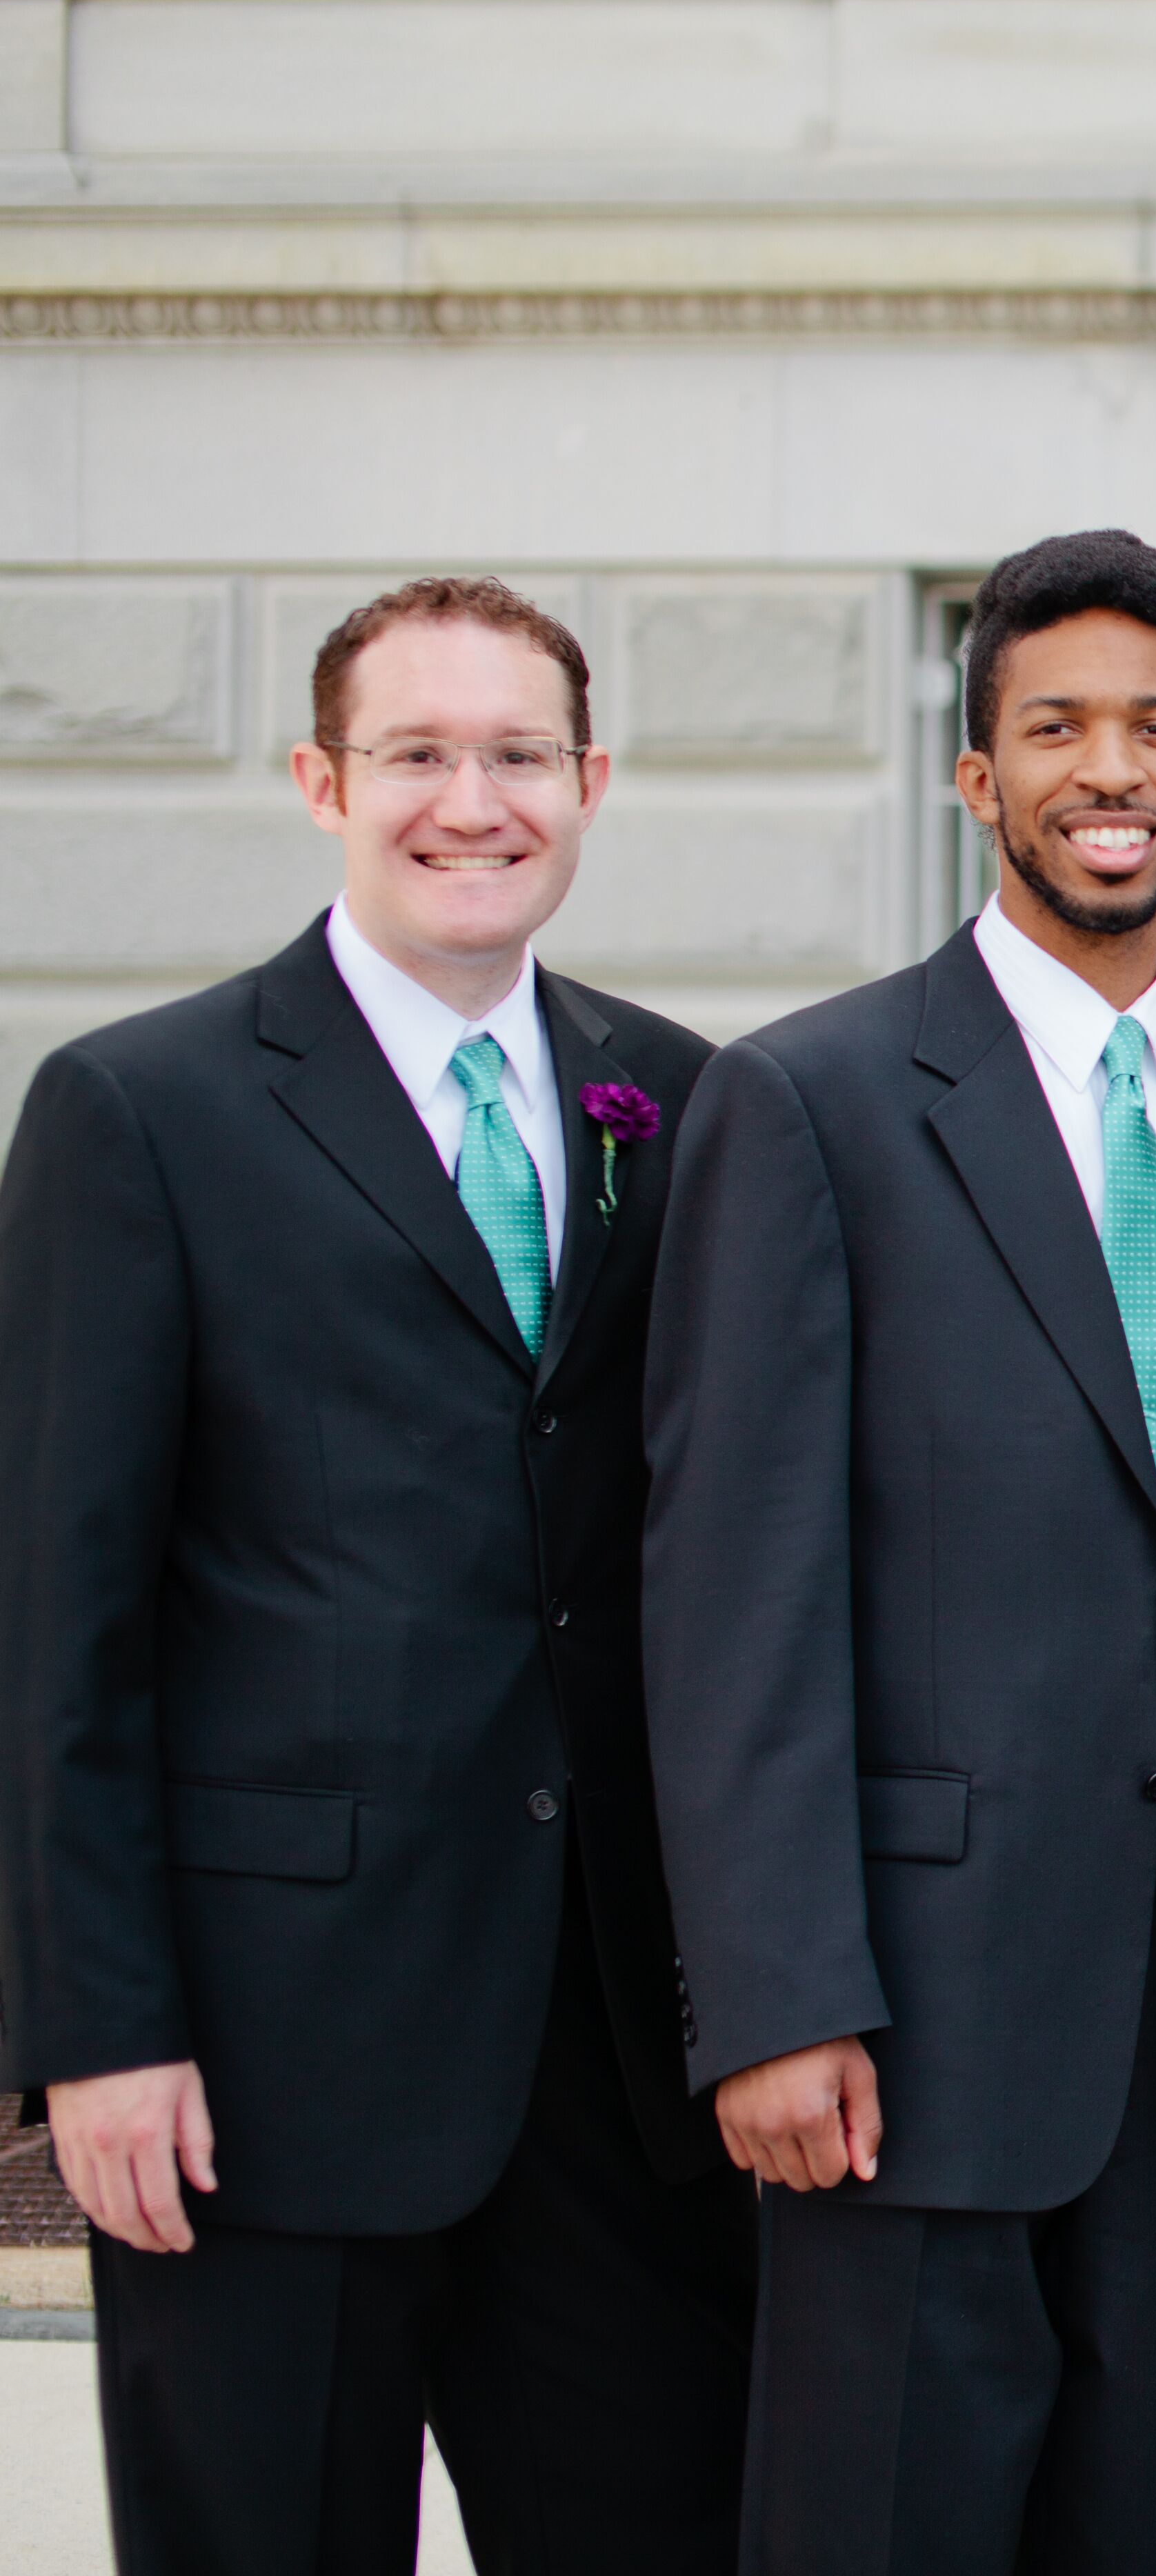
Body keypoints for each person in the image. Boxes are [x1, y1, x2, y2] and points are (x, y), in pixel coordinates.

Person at [0, 579, 748, 2571]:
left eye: (516, 755)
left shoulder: (676, 1105)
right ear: (324, 780)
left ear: (589, 786)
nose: (469, 800)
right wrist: (95, 2028)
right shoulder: (138, 1114)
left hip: (616, 2072)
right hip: (262, 2067)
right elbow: (56, 1621)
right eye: (417, 753)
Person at [641, 529, 1156, 2571]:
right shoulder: (812, 1103)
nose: (1108, 768)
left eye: (1155, 729)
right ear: (977, 780)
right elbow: (734, 1580)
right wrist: (773, 1994)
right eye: (1056, 729)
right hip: (903, 2032)